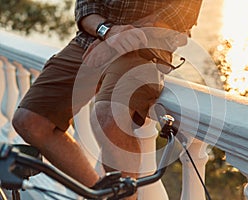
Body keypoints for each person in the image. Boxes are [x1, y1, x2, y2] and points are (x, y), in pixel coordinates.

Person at [12, 0, 203, 198]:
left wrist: (115, 40)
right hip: (92, 41)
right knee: (30, 121)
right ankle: (102, 193)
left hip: (146, 49)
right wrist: (107, 31)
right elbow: (85, 7)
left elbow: (179, 17)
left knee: (109, 118)